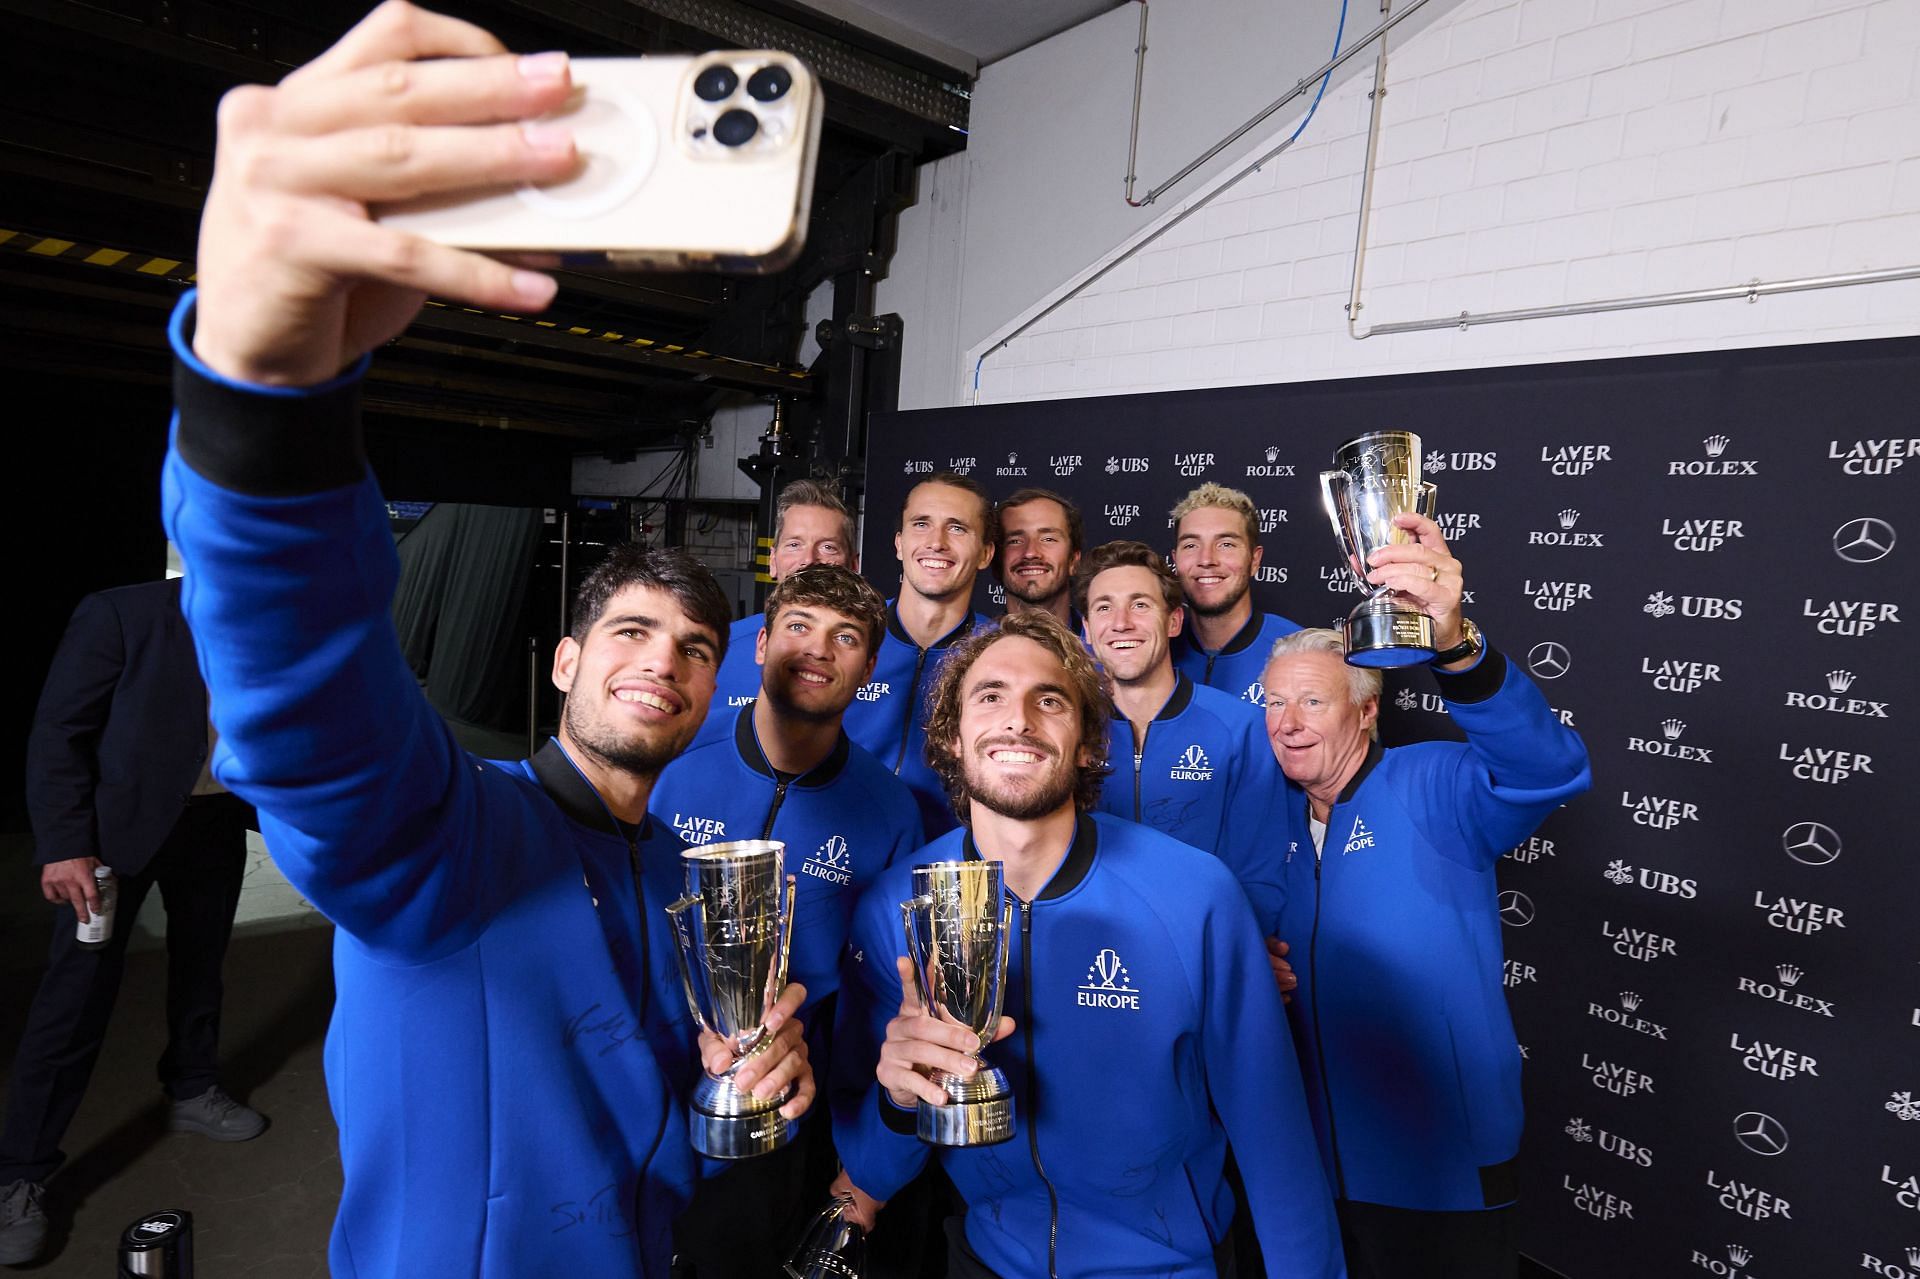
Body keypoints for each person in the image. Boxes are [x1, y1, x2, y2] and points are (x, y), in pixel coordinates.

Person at [158, 9, 812, 1273]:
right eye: (629, 629)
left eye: (690, 648)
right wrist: (264, 406)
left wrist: (742, 1073)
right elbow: (311, 721)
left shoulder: (687, 869)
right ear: (564, 663)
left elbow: (661, 1107)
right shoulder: (453, 833)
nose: (660, 662)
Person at [830, 612, 1344, 1279]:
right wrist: (899, 1100)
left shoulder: (1195, 897)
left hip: (1168, 1266)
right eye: (990, 696)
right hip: (984, 1260)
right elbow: (874, 1166)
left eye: (1049, 699)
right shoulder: (892, 906)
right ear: (952, 737)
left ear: (1086, 745)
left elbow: (1277, 1142)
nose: (1018, 720)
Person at [1261, 512, 1590, 1279]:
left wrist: (1456, 643)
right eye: (1274, 704)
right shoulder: (1272, 818)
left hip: (1439, 1170)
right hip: (1312, 1165)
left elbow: (1546, 771)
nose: (1288, 723)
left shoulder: (1431, 782)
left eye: (1312, 702)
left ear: (1368, 709)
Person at [647, 564, 920, 1276]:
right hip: (648, 1093)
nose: (818, 648)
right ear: (761, 643)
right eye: (799, 626)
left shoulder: (889, 809)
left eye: (847, 636)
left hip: (787, 1118)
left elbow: (883, 992)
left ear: (867, 668)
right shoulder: (675, 755)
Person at [0, 580, 262, 1267]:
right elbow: (60, 729)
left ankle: (192, 1087)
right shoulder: (123, 613)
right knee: (76, 995)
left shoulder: (274, 610)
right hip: (114, 835)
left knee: (202, 964)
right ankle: (17, 1174)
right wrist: (63, 841)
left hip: (215, 821)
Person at [1076, 540, 1286, 934]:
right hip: (1090, 947)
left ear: (1174, 621)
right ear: (1087, 629)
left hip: (1202, 944)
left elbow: (1260, 873)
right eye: (1104, 607)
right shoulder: (1067, 729)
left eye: (1140, 604)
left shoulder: (1239, 728)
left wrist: (1239, 950)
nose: (1121, 622)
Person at [840, 472, 994, 837]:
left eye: (957, 528)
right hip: (837, 849)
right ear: (899, 543)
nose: (936, 542)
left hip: (950, 865)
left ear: (985, 553)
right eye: (921, 524)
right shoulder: (845, 637)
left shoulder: (1001, 654)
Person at [692, 478, 859, 751]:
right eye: (794, 544)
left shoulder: (872, 657)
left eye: (828, 547)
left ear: (853, 565)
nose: (808, 559)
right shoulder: (720, 648)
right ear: (773, 559)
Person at [1168, 483, 1300, 705]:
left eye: (1226, 544)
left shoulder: (1298, 652)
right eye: (1191, 545)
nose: (1206, 559)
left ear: (1255, 560)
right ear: (1175, 559)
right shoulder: (1155, 650)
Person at [992, 488, 1082, 631]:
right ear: (996, 561)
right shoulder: (972, 650)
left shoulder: (1104, 649)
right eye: (1015, 541)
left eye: (1048, 539)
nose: (1030, 553)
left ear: (1073, 560)